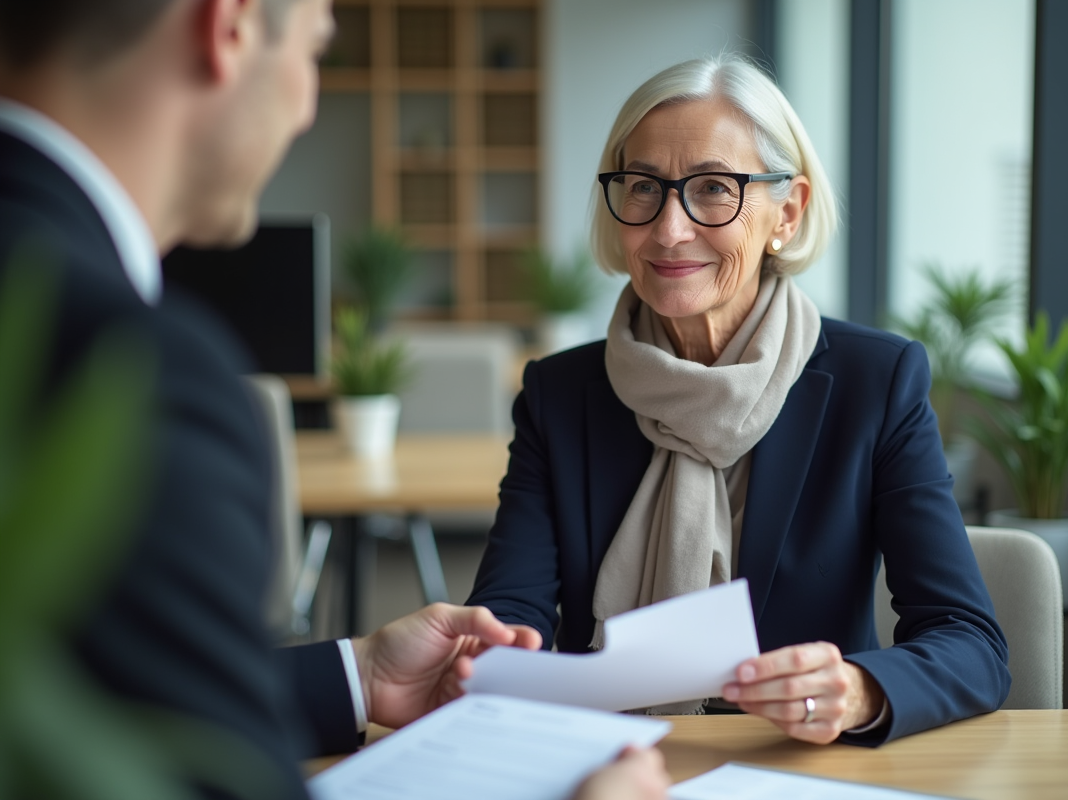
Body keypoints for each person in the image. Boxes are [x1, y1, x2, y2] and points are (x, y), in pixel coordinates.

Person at [0, 0, 668, 797]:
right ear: (231, 28)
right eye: (315, 53)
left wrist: (354, 674)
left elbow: (91, 695)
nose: (309, 106)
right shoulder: (123, 370)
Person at [467, 53, 1011, 746]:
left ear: (787, 211)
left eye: (714, 189)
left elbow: (969, 642)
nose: (669, 229)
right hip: (605, 763)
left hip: (798, 765)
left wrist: (860, 690)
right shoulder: (559, 393)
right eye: (643, 187)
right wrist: (498, 651)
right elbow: (510, 609)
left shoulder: (876, 384)